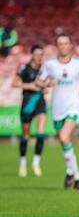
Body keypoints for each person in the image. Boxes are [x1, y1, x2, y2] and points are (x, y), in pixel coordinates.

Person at [36, 34, 79, 190]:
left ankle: (77, 177)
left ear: (71, 45)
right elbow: (38, 80)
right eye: (60, 43)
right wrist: (46, 83)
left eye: (66, 43)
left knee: (64, 136)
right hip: (58, 108)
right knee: (63, 140)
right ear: (57, 46)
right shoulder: (49, 64)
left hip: (75, 105)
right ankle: (71, 172)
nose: (63, 46)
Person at [11, 45, 46, 177]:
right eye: (37, 54)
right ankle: (23, 163)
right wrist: (29, 85)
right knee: (26, 135)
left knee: (40, 133)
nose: (39, 57)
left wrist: (46, 87)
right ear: (32, 54)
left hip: (40, 103)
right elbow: (14, 83)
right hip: (27, 104)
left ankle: (36, 162)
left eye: (41, 54)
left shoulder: (44, 69)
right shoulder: (24, 68)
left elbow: (46, 82)